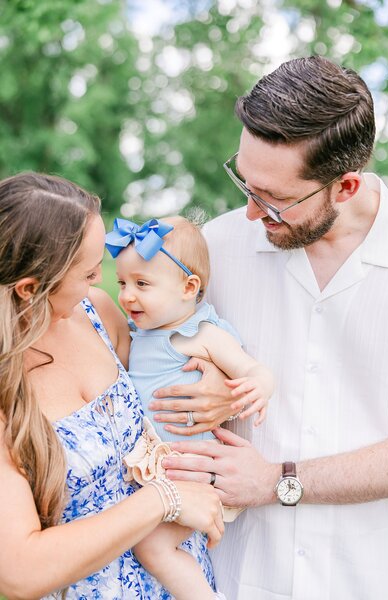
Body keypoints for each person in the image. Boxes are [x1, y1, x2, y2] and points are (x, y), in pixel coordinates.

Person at [152, 56, 388, 600]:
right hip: (233, 579)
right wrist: (204, 378)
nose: (248, 212)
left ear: (346, 186)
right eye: (244, 182)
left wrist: (277, 480)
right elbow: (144, 356)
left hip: (369, 580)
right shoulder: (211, 250)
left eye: (275, 200)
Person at [0, 172, 224, 600]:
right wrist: (163, 498)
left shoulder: (98, 315)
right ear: (30, 289)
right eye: (87, 274)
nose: (100, 285)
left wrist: (211, 380)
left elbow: (163, 362)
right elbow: (19, 572)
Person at [104, 213, 274, 600]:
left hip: (191, 474)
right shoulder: (140, 334)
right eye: (123, 283)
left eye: (142, 284)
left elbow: (252, 369)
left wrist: (259, 387)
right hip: (156, 470)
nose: (127, 295)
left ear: (188, 286)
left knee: (153, 546)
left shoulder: (201, 333)